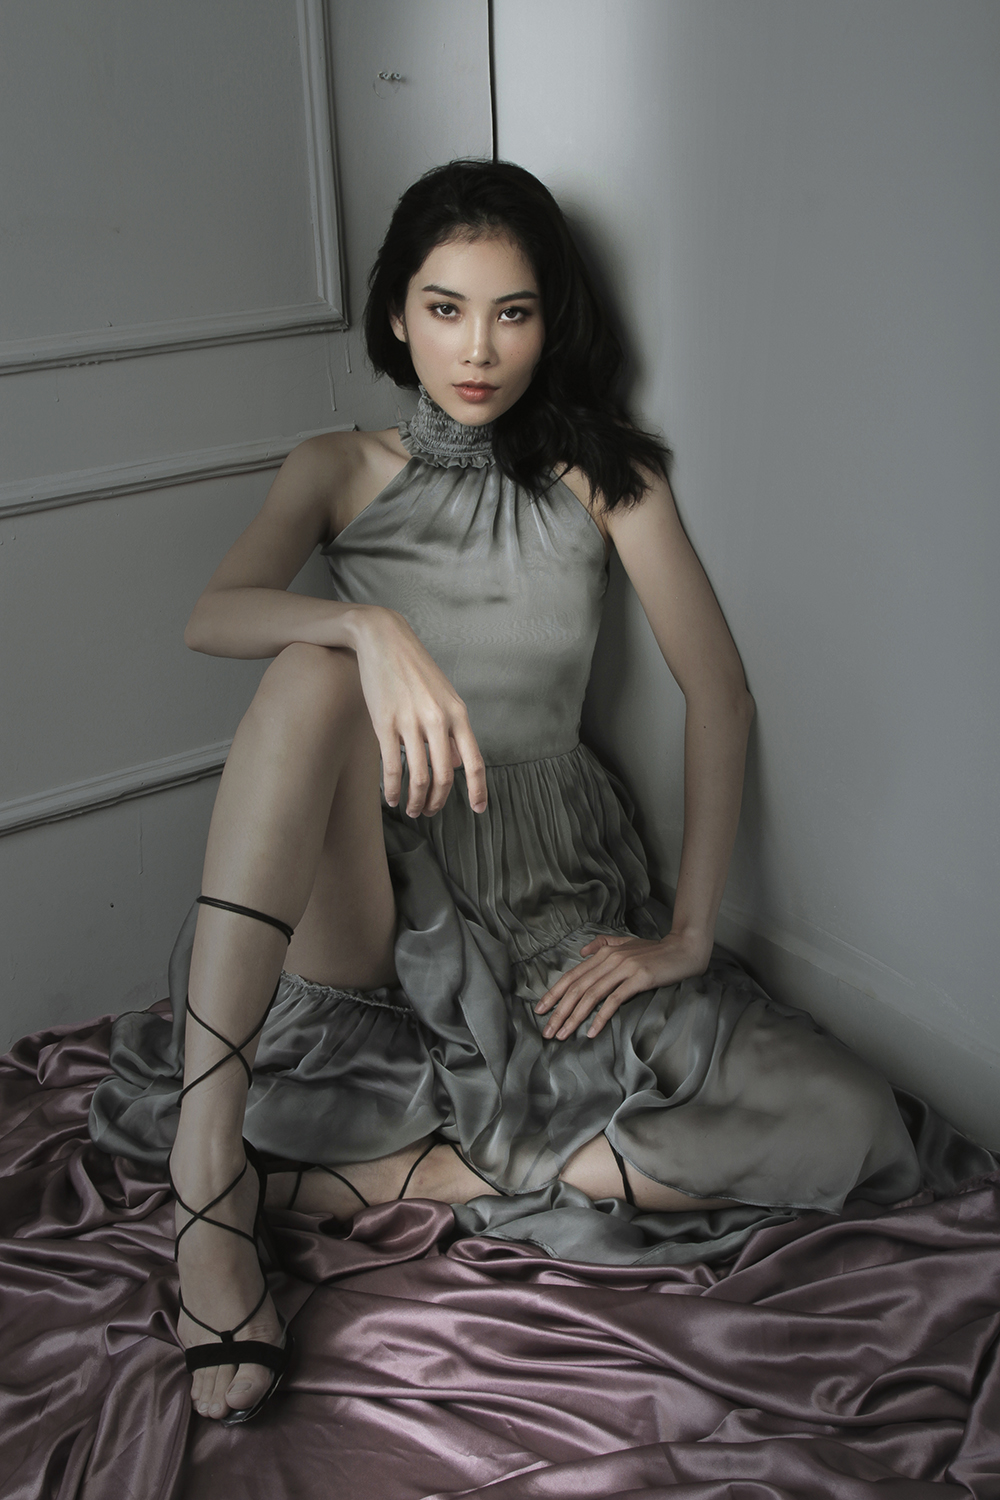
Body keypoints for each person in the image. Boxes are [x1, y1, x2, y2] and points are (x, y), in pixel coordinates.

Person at [88, 159, 922, 1426]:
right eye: (444, 309)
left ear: (550, 320)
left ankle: (391, 1180)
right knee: (310, 670)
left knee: (848, 1120)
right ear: (397, 314)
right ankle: (208, 1182)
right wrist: (367, 629)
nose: (476, 349)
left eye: (511, 313)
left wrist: (687, 934)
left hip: (546, 895)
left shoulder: (604, 476)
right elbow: (214, 615)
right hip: (372, 889)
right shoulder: (333, 465)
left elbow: (720, 695)